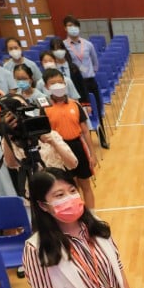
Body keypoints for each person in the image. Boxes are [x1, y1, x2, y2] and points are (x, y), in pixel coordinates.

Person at [43, 68, 97, 209]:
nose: (58, 86)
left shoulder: (75, 104)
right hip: (59, 150)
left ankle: (91, 216)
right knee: (70, 186)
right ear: (46, 87)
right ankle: (76, 212)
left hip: (78, 146)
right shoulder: (44, 109)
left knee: (85, 184)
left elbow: (85, 131)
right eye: (53, 83)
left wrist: (92, 154)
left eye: (60, 82)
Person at [62, 15, 108, 148]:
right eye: (69, 26)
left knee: (96, 109)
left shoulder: (88, 44)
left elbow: (95, 62)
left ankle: (102, 138)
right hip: (75, 84)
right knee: (78, 113)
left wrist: (89, 72)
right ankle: (83, 141)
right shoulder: (64, 46)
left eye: (75, 26)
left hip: (90, 81)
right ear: (65, 28)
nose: (72, 29)